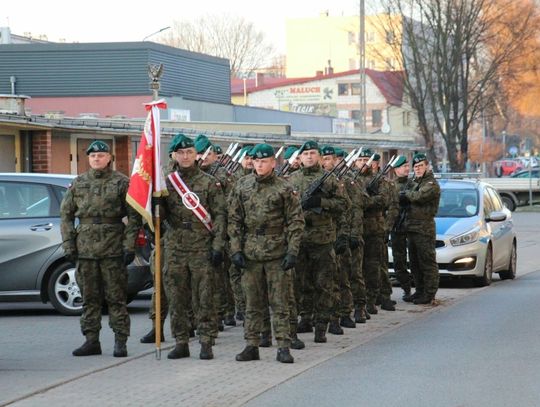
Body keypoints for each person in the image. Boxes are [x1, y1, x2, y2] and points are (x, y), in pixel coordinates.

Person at [60, 140, 141, 358]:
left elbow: (134, 218)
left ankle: (120, 340)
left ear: (109, 158)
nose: (97, 159)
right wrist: (68, 244)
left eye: (101, 155)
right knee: (89, 297)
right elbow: (66, 216)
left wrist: (128, 245)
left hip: (113, 248)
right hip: (85, 249)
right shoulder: (78, 183)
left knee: (116, 297)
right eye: (93, 156)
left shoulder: (121, 182)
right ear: (88, 159)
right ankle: (91, 340)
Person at [228, 143, 304, 363]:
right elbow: (234, 220)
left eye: (264, 161)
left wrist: (292, 251)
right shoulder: (242, 185)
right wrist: (235, 249)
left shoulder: (284, 188)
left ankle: (283, 346)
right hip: (251, 253)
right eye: (256, 161)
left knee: (280, 303)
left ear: (273, 162)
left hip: (276, 253)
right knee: (252, 302)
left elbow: (296, 221)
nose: (259, 165)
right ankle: (252, 345)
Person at [161, 134, 227, 360]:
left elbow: (219, 215)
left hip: (202, 245)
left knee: (204, 296)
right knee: (177, 296)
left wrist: (218, 245)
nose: (185, 156)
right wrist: (155, 206)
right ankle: (181, 341)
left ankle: (206, 341)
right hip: (175, 246)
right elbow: (157, 219)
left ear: (196, 154)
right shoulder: (167, 183)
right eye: (181, 153)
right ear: (174, 156)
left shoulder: (209, 182)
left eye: (189, 152)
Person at [288, 140, 349, 343]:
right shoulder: (292, 179)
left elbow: (343, 204)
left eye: (313, 153)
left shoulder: (329, 179)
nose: (309, 157)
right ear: (300, 157)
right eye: (306, 154)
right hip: (299, 240)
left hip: (323, 240)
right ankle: (305, 317)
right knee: (302, 283)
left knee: (324, 284)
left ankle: (322, 326)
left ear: (320, 157)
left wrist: (321, 202)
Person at [401, 153, 441, 304]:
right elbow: (405, 192)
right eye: (415, 167)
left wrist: (406, 195)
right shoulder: (415, 182)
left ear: (427, 166)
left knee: (427, 262)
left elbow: (419, 196)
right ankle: (419, 290)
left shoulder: (431, 184)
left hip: (424, 228)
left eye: (420, 166)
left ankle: (429, 293)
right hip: (412, 227)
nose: (417, 169)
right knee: (414, 263)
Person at [387, 155, 413, 301]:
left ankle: (419, 289)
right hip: (397, 228)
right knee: (399, 260)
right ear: (396, 169)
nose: (407, 169)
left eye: (407, 166)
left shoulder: (413, 184)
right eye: (404, 166)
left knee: (415, 259)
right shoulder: (391, 186)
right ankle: (406, 288)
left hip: (412, 226)